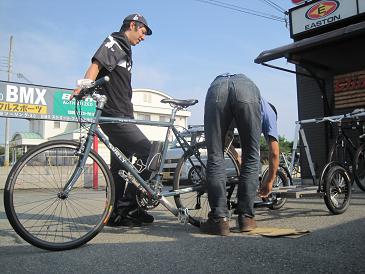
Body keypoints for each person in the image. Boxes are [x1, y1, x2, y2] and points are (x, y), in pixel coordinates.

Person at [73, 14, 154, 227]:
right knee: (152, 154)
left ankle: (118, 213)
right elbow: (96, 64)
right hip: (116, 116)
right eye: (143, 32)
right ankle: (131, 204)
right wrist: (83, 85)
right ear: (133, 25)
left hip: (121, 114)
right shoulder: (116, 41)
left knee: (120, 166)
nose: (143, 37)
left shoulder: (126, 50)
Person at [201, 73, 278, 236]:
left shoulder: (266, 108)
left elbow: (224, 142)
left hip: (217, 89)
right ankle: (246, 218)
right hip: (247, 90)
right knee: (251, 156)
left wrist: (235, 156)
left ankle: (219, 220)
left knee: (215, 156)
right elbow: (275, 153)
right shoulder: (269, 112)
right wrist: (270, 180)